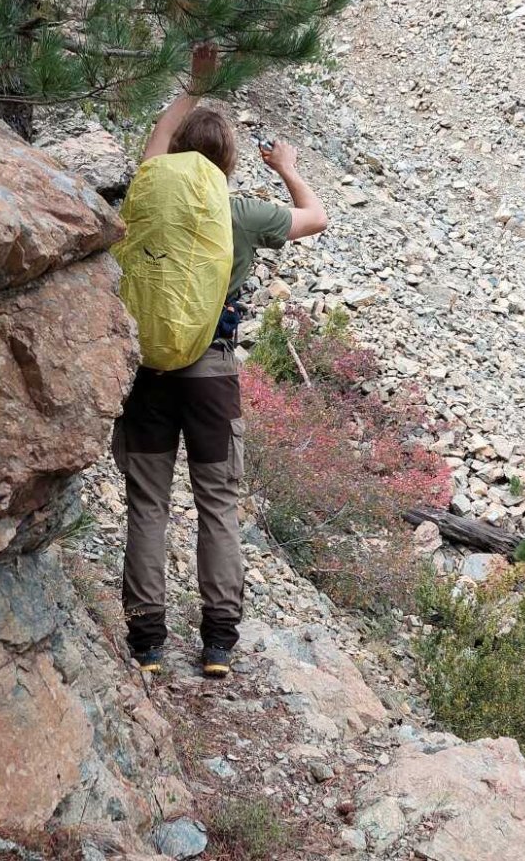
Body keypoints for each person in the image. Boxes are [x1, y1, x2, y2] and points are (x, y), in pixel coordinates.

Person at [114, 44, 328, 677]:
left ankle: (148, 640)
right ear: (229, 161)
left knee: (148, 503)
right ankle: (217, 643)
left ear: (177, 155)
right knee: (217, 504)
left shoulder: (151, 190)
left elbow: (157, 140)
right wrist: (288, 167)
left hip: (149, 370)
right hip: (212, 373)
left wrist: (192, 87)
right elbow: (316, 218)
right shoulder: (242, 213)